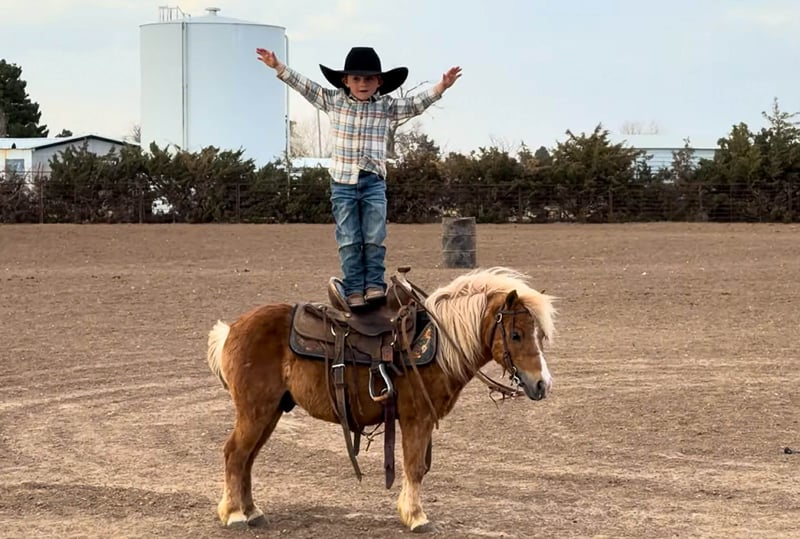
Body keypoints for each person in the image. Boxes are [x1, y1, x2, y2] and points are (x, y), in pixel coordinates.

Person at [257, 46, 461, 308]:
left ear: (379, 82)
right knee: (349, 239)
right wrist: (278, 66)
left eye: (368, 79)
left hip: (373, 182)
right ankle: (354, 288)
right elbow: (305, 87)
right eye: (356, 78)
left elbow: (414, 104)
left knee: (374, 236)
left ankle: (374, 285)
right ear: (345, 81)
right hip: (342, 183)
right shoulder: (333, 100)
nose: (362, 84)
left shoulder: (386, 107)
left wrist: (442, 86)